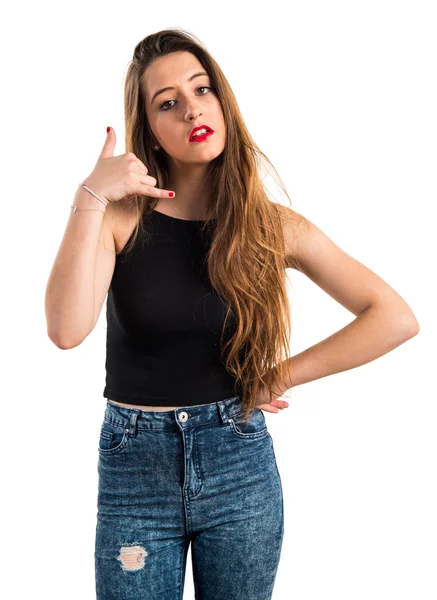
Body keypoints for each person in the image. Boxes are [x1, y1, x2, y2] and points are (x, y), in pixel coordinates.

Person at [44, 28, 419, 600]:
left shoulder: (272, 227)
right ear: (151, 130)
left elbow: (393, 316)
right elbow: (66, 330)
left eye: (202, 89)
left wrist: (278, 376)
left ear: (222, 101)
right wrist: (91, 195)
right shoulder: (121, 218)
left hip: (237, 462)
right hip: (134, 467)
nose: (191, 107)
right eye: (167, 102)